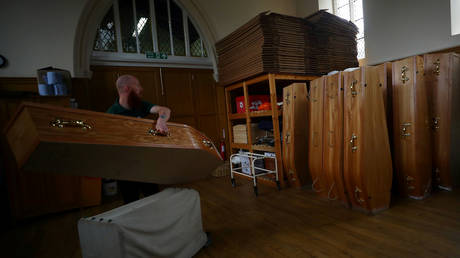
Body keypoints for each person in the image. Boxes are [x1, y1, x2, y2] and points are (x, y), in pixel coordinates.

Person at [107, 74, 171, 204]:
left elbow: (164, 110)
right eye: (138, 85)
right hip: (125, 167)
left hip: (145, 163)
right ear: (127, 88)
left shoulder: (140, 105)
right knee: (131, 201)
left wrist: (161, 121)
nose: (141, 89)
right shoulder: (112, 113)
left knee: (153, 197)